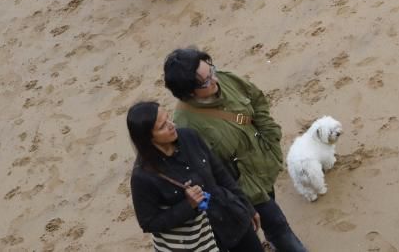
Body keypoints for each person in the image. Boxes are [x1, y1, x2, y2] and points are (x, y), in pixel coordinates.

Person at [164, 49, 307, 252]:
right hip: (243, 190)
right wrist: (239, 201)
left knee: (272, 212)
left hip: (262, 164)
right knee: (279, 226)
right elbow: (207, 174)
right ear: (189, 92)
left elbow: (256, 99)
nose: (214, 80)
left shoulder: (227, 79)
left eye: (211, 70)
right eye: (205, 81)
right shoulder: (186, 126)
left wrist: (270, 134)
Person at [128, 101, 263, 251]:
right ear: (148, 138)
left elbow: (221, 174)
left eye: (168, 118)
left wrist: (247, 207)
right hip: (200, 242)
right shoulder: (143, 177)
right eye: (162, 127)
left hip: (233, 219)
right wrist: (188, 206)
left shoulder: (189, 136)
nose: (171, 125)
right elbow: (149, 223)